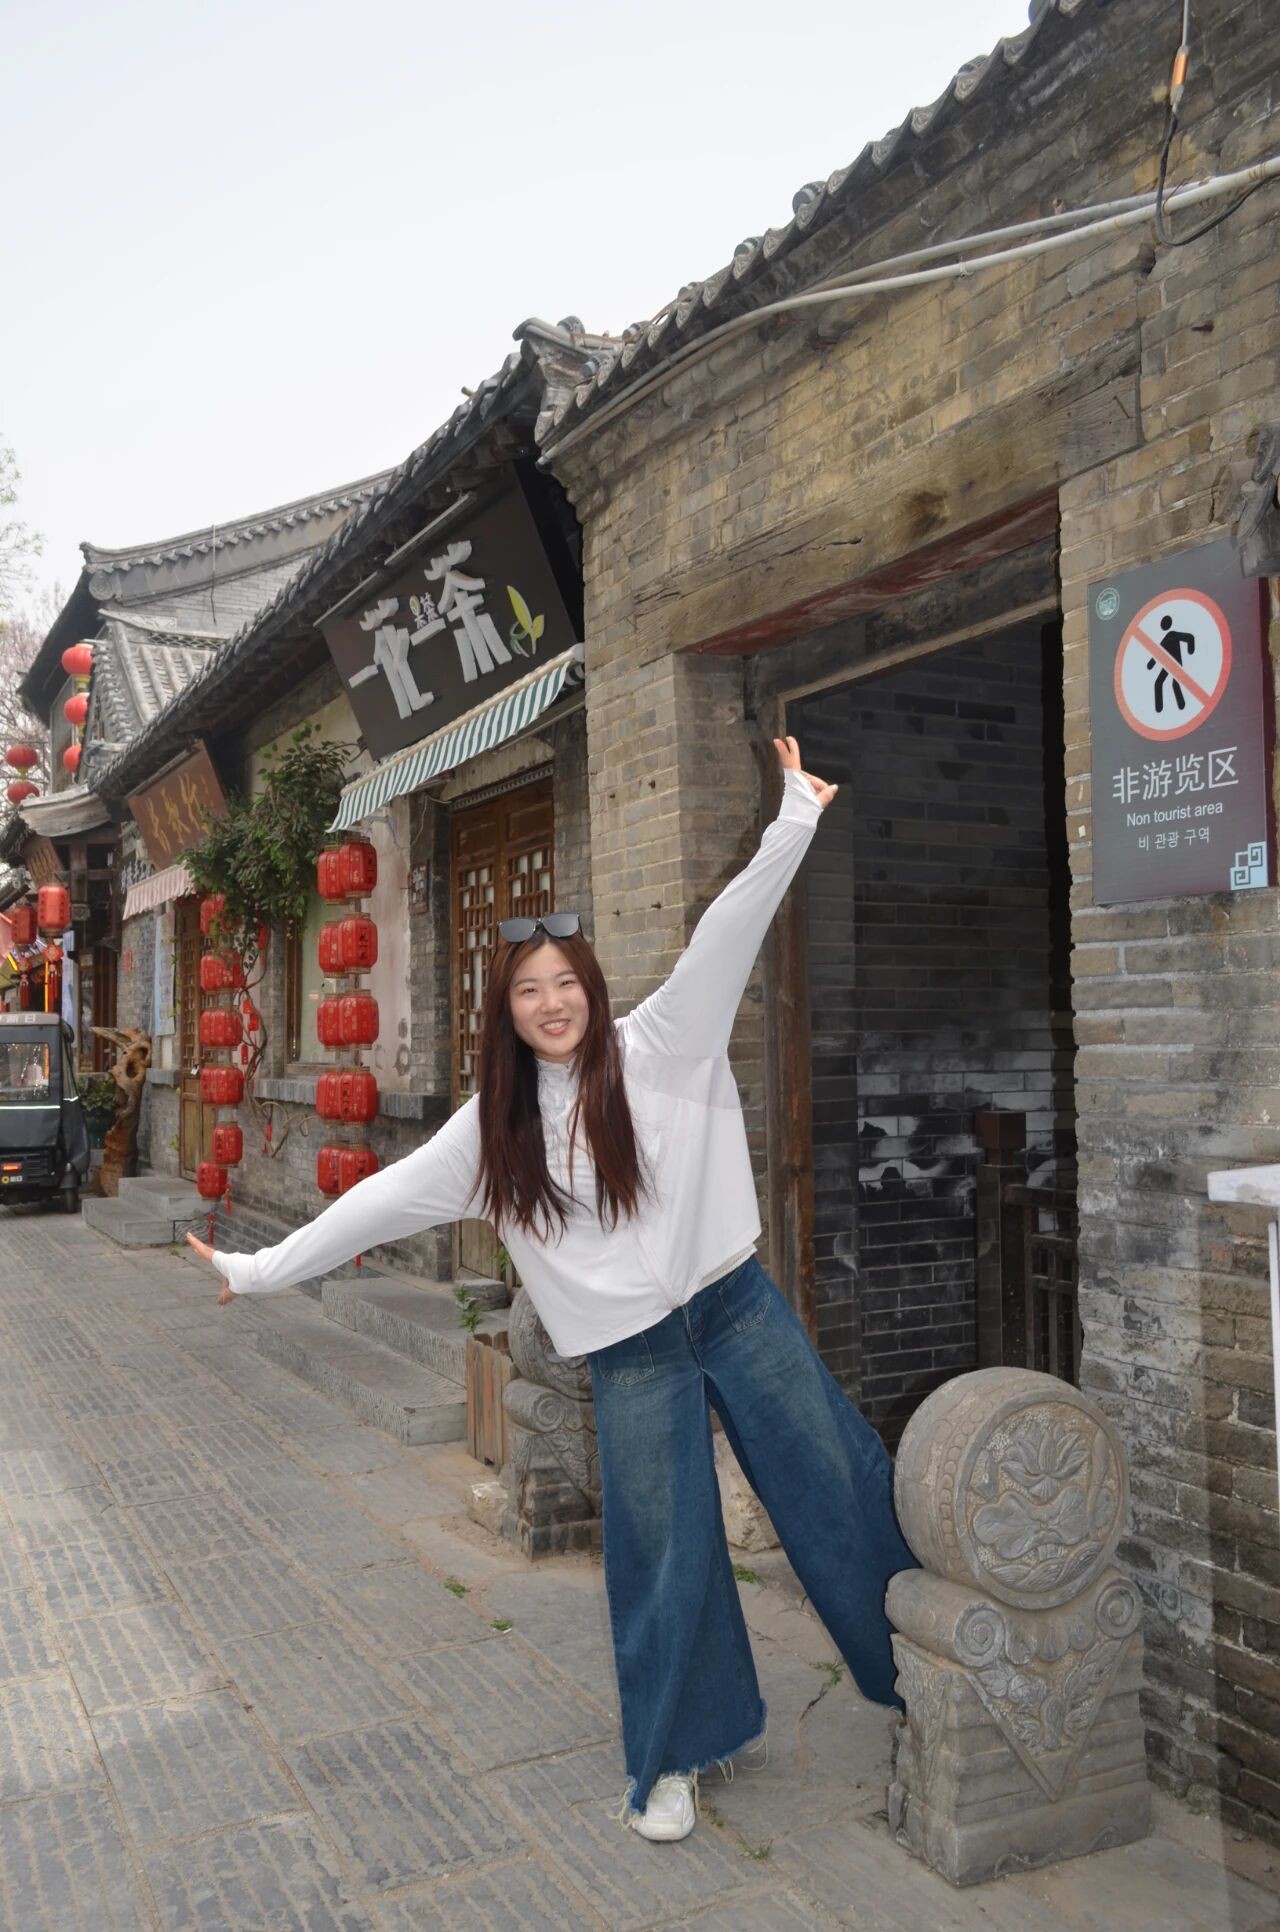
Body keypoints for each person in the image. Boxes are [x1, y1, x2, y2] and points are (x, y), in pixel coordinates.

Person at [187, 735, 916, 1844]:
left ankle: (924, 1684)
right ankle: (679, 1752)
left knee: (835, 1481)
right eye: (528, 991)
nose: (551, 1003)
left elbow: (730, 929)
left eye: (565, 983)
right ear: (507, 1010)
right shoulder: (493, 1129)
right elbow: (376, 1203)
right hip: (631, 1355)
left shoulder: (662, 1041)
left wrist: (792, 820)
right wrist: (256, 1270)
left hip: (733, 1306)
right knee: (660, 1549)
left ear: (590, 988)